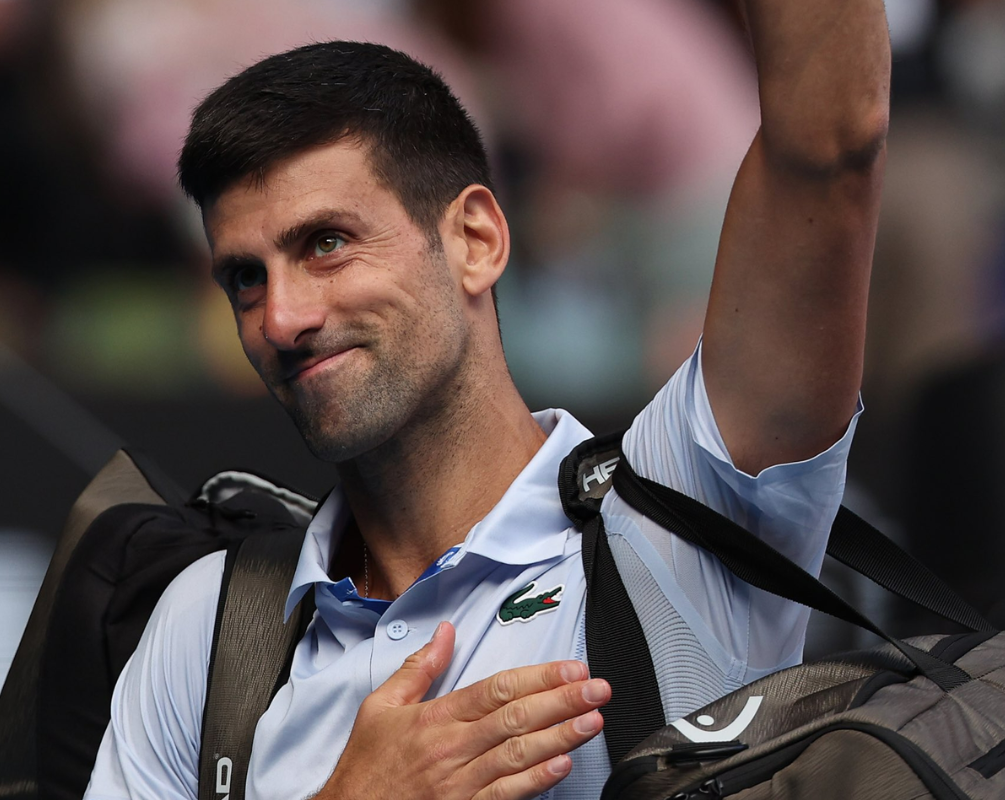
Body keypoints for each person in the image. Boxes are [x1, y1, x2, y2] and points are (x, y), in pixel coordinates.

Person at [85, 0, 890, 796]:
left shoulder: (683, 515)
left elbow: (829, 139)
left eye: (326, 243)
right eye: (245, 278)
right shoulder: (207, 625)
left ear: (476, 239)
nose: (282, 318)